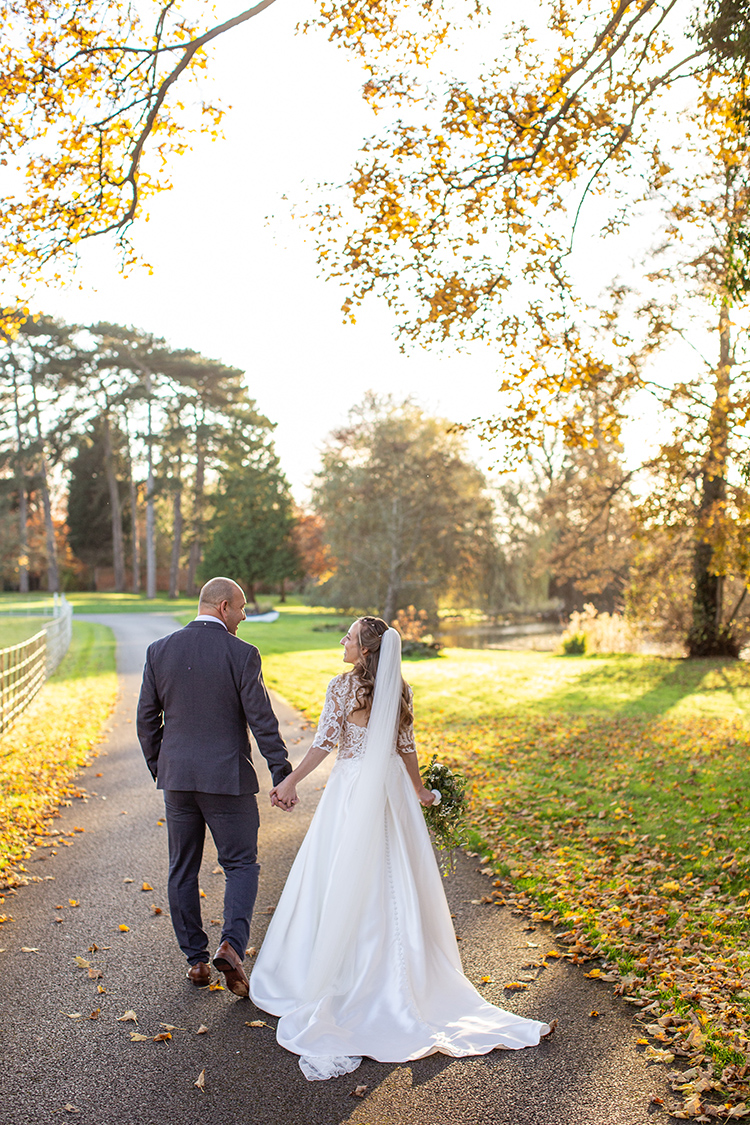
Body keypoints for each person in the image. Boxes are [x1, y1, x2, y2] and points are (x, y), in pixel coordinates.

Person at [249, 616, 551, 1081]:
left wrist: (290, 779)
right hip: (388, 788)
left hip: (351, 791)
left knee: (344, 875)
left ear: (366, 650)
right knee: (395, 875)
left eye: (348, 638)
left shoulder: (341, 688)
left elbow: (326, 742)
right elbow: (405, 746)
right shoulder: (401, 688)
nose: (342, 642)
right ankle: (405, 977)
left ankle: (343, 974)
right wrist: (419, 789)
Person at [136, 576, 294, 996]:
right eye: (241, 608)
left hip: (178, 782)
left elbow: (146, 721)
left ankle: (197, 962)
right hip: (228, 779)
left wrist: (161, 768)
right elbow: (262, 720)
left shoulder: (159, 650)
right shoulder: (241, 654)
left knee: (181, 868)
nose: (244, 617)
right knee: (241, 864)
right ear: (223, 607)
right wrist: (282, 773)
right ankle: (232, 946)